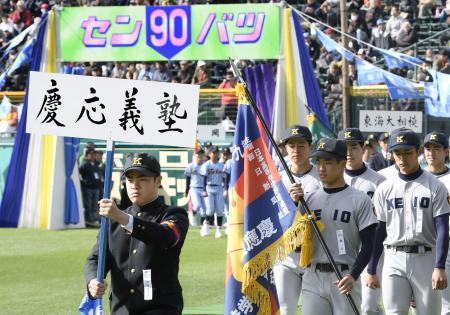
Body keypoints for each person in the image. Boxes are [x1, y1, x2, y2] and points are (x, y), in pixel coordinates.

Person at [84, 153, 189, 314]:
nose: (135, 185)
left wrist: (121, 217)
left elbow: (166, 236)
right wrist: (93, 280)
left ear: (158, 181)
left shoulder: (174, 214)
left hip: (160, 308)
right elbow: (96, 259)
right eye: (130, 180)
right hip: (121, 309)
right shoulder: (112, 221)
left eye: (143, 179)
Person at [366, 130, 450, 315]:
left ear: (417, 152)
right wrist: (372, 268)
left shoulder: (435, 186)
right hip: (393, 257)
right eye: (398, 153)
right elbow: (379, 231)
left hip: (426, 257)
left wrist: (439, 266)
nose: (402, 158)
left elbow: (442, 228)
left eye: (407, 153)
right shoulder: (385, 187)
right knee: (394, 312)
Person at [298, 138, 378, 315]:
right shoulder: (308, 199)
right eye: (318, 162)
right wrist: (295, 207)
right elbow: (296, 243)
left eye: (327, 162)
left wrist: (354, 275)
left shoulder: (360, 199)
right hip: (313, 276)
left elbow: (369, 243)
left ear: (342, 163)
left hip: (344, 277)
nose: (321, 168)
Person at [273, 125, 321, 315]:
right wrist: (291, 204)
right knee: (286, 309)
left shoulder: (322, 176)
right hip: (286, 254)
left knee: (314, 310)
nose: (296, 150)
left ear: (310, 147)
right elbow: (274, 218)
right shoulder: (278, 180)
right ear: (285, 148)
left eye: (301, 145)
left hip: (316, 254)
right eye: (291, 145)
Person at [340, 128, 386, 315]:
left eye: (354, 147)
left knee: (367, 307)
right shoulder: (332, 178)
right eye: (345, 148)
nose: (349, 153)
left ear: (363, 148)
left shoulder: (379, 181)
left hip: (372, 249)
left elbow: (384, 221)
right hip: (343, 249)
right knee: (347, 306)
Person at [423, 132, 450, 314]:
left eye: (436, 148)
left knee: (447, 305)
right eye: (428, 148)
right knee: (423, 304)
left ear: (446, 151)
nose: (431, 152)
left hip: (448, 246)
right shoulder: (417, 178)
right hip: (423, 248)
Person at [199, 146, 227, 238]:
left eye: (216, 152)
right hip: (209, 188)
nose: (215, 154)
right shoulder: (206, 165)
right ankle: (205, 225)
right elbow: (203, 178)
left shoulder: (221, 165)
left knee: (219, 210)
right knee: (210, 210)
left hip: (219, 188)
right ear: (210, 154)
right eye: (213, 152)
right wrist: (203, 190)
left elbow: (225, 179)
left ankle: (218, 230)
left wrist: (226, 189)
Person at [79, 148, 103, 227]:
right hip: (88, 188)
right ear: (87, 155)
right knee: (88, 205)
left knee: (94, 205)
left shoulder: (96, 164)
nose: (93, 156)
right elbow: (79, 175)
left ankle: (93, 220)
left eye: (94, 154)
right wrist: (84, 182)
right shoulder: (84, 164)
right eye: (91, 154)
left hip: (96, 188)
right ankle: (88, 221)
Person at [184, 150, 206, 229]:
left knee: (204, 209)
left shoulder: (205, 166)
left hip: (203, 189)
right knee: (197, 205)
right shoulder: (191, 166)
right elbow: (188, 178)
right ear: (195, 156)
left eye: (201, 155)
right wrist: (186, 190)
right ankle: (192, 214)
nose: (200, 157)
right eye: (198, 156)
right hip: (194, 188)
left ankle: (203, 226)